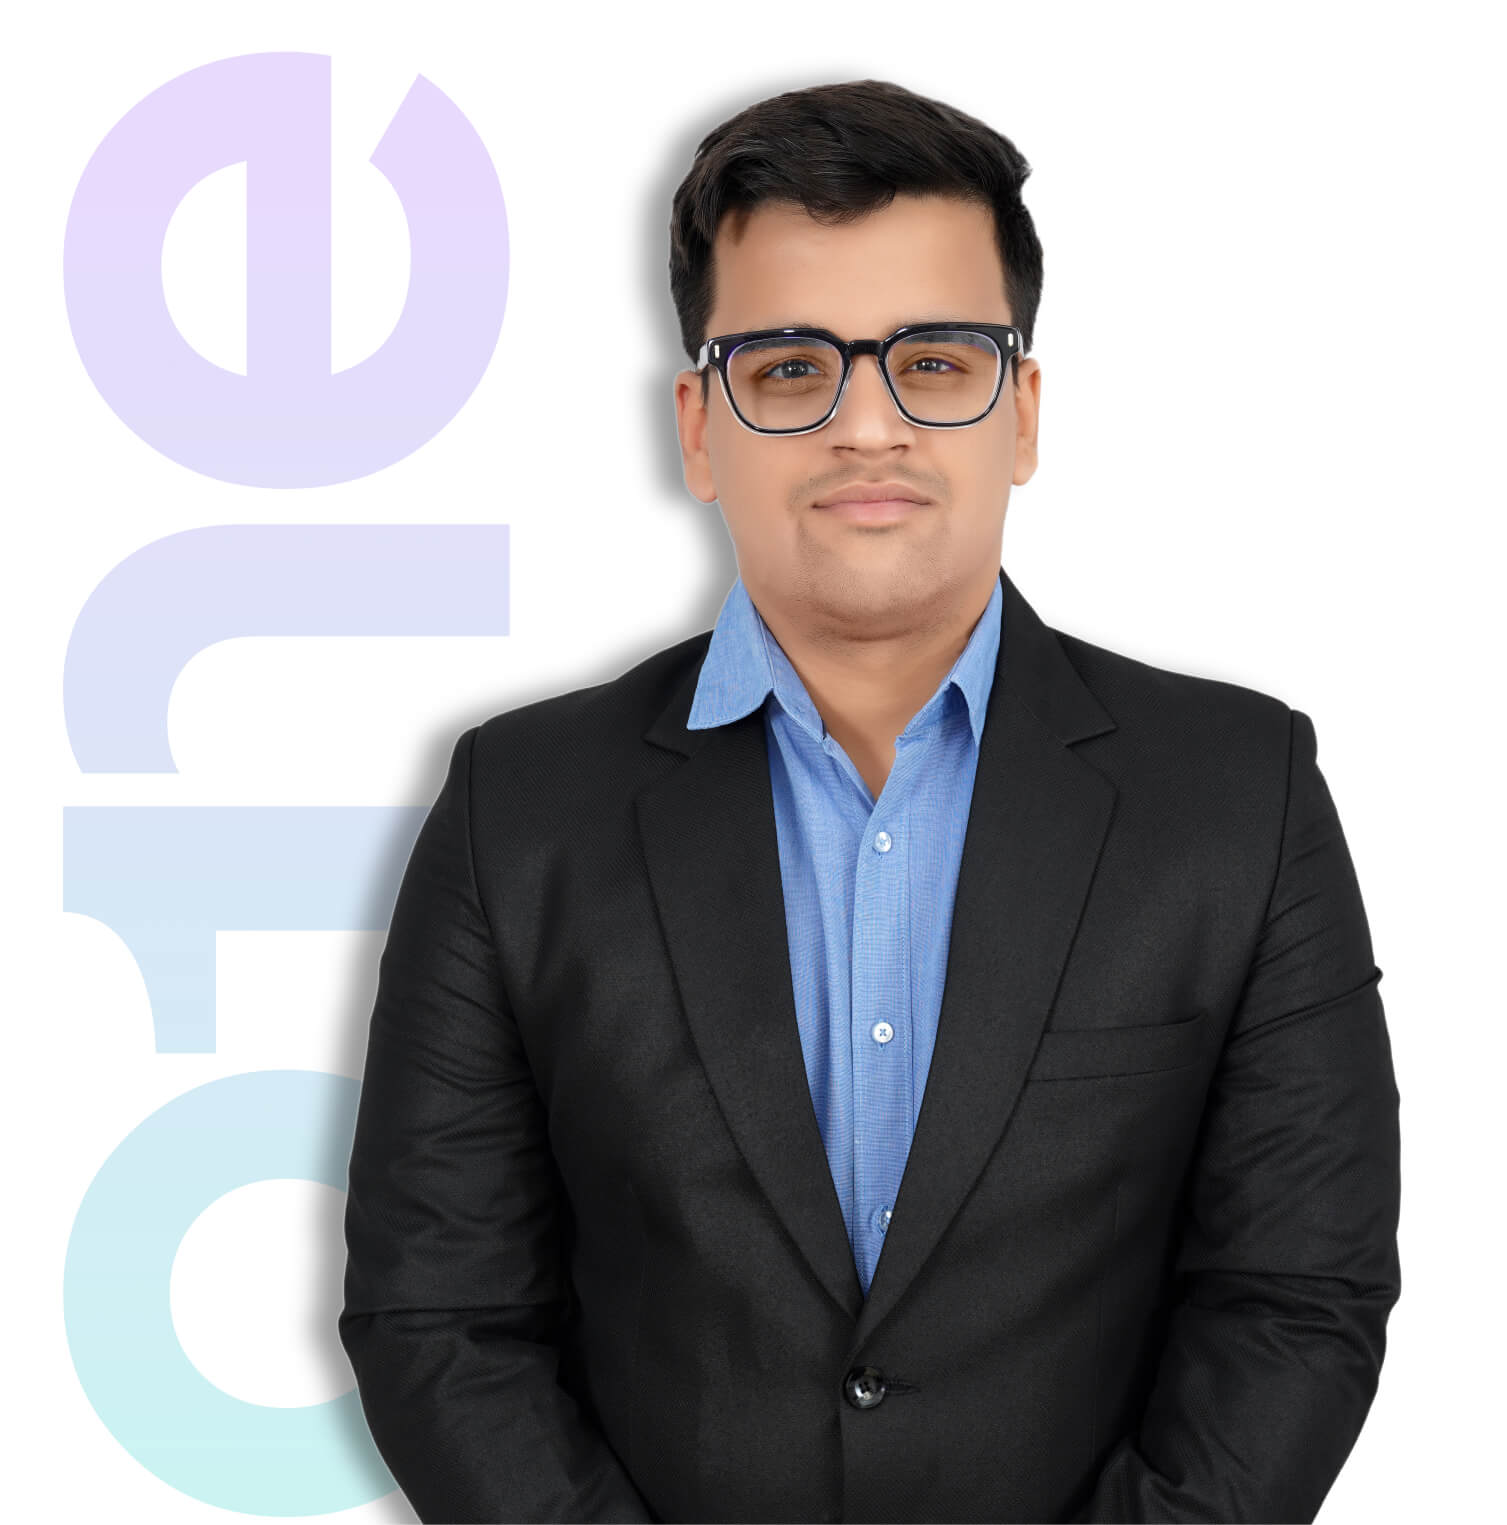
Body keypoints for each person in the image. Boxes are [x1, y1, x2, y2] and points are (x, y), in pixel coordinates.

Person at [338, 78, 1401, 1524]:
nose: (868, 427)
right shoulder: (517, 810)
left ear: (1021, 414)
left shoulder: (1237, 796)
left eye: (937, 362)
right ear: (698, 428)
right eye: (791, 369)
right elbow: (440, 1314)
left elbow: (1295, 1296)